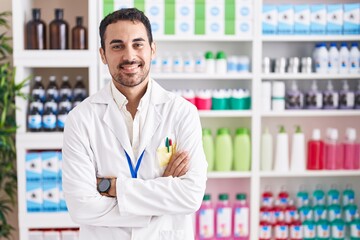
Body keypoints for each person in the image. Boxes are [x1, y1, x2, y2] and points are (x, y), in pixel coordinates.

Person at [62, 8, 208, 240]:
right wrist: (162, 194)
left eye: (138, 44)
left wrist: (111, 188)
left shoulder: (182, 112)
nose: (129, 56)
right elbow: (81, 206)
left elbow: (191, 195)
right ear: (103, 54)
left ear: (152, 49)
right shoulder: (81, 119)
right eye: (117, 46)